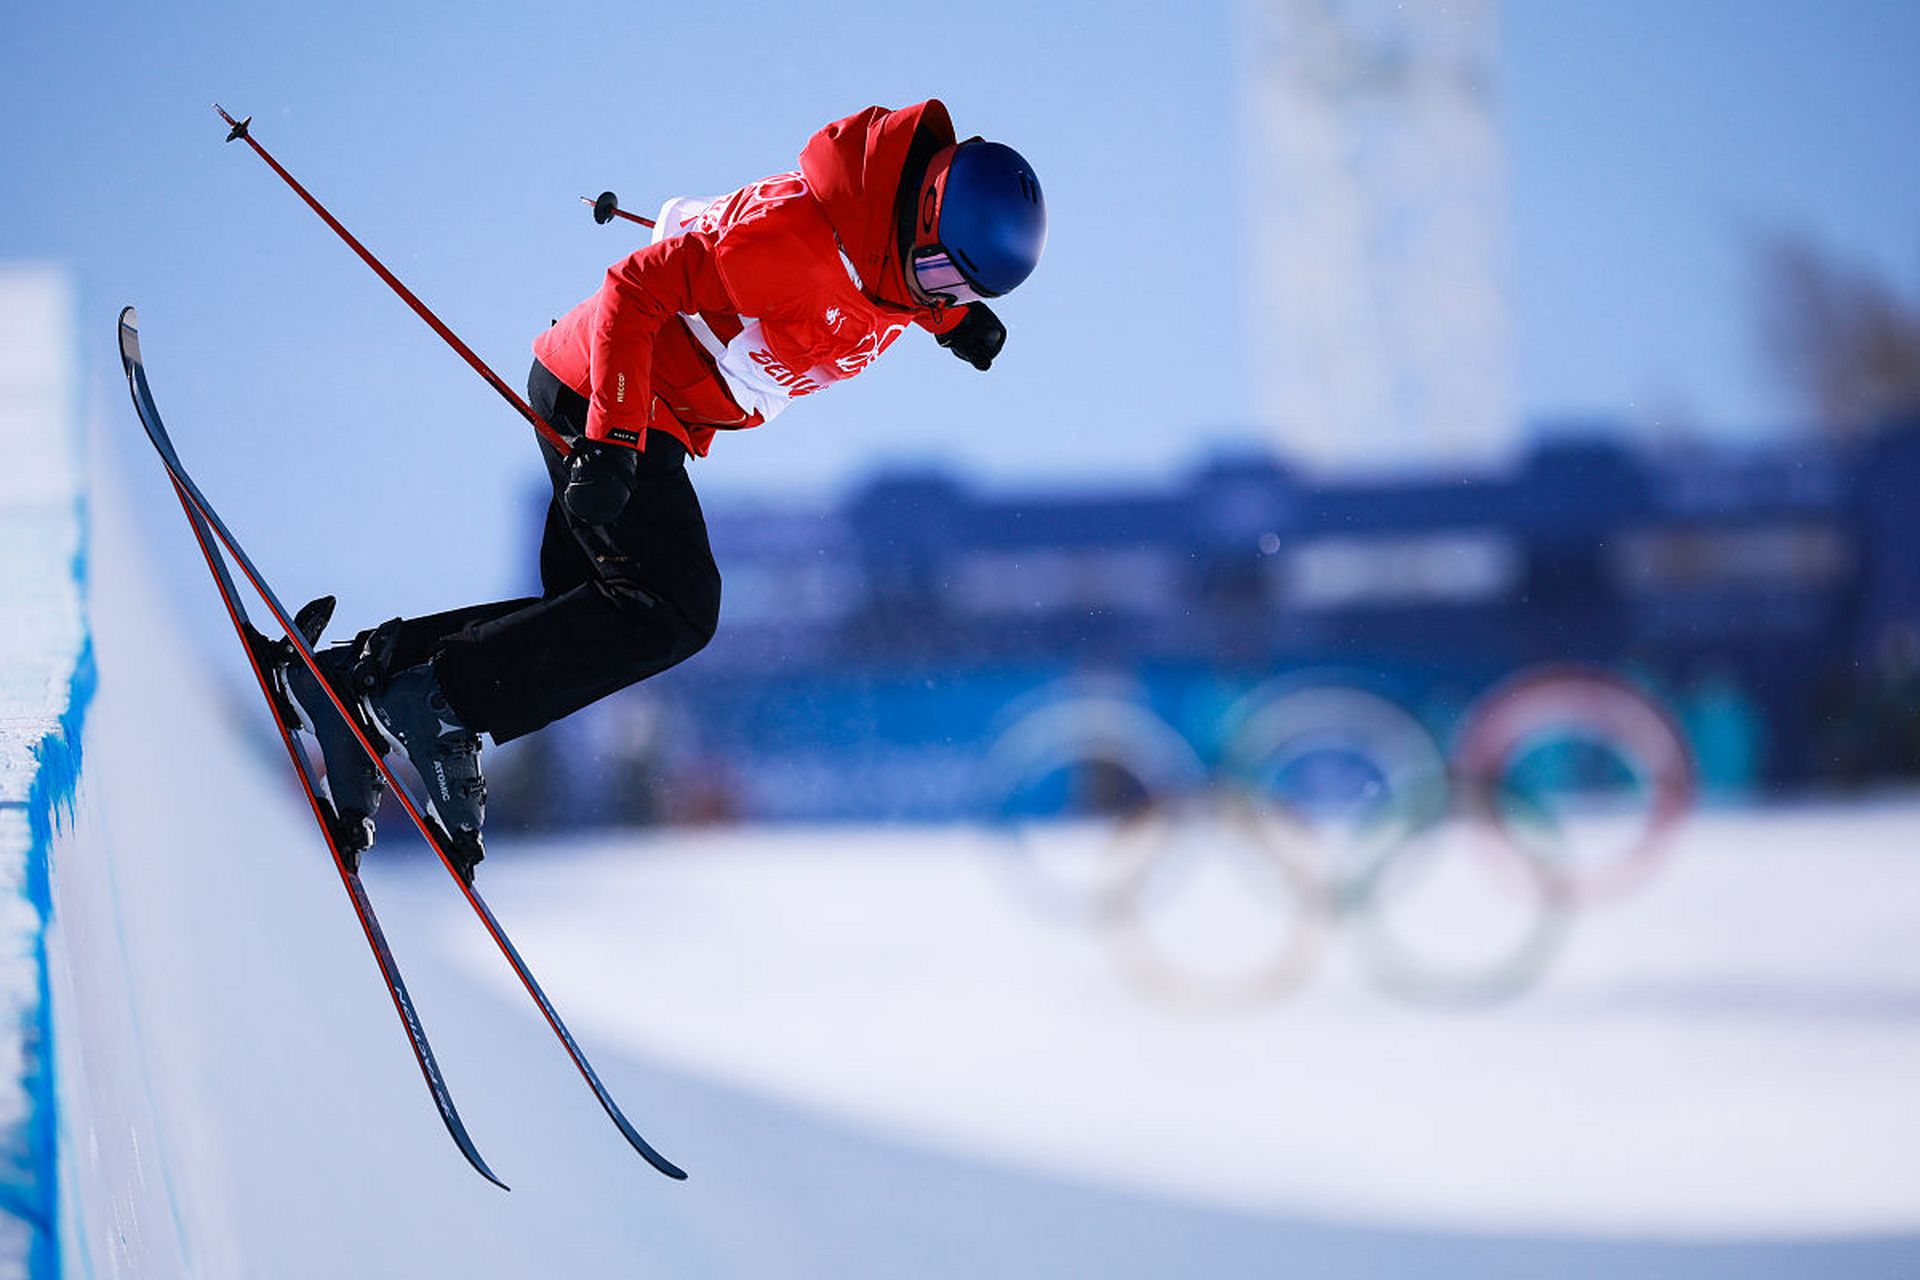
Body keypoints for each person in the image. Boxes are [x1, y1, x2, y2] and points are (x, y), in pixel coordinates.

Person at [283, 100, 1047, 880]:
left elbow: (892, 290)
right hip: (610, 393)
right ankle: (432, 700)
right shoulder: (799, 244)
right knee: (676, 607)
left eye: (956, 288)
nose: (936, 293)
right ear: (922, 212)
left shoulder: (903, 269)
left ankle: (362, 678)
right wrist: (612, 442)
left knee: (588, 615)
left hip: (649, 411)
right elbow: (634, 288)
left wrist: (955, 325)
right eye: (938, 275)